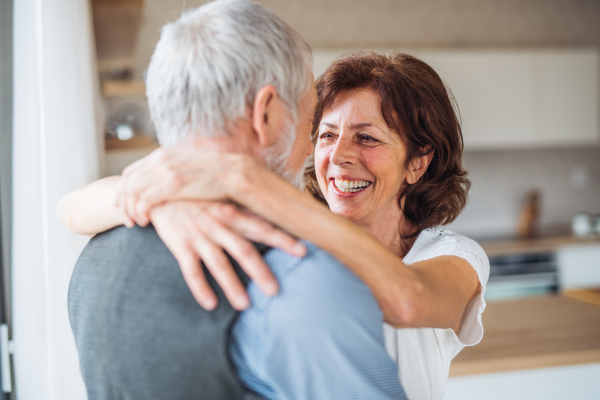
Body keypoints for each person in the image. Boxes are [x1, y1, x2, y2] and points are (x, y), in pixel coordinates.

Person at [61, 9, 491, 400]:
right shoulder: (290, 265)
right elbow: (70, 208)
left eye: (367, 137)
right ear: (266, 115)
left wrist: (241, 177)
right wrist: (156, 201)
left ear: (418, 162)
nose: (332, 153)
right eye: (322, 131)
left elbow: (409, 299)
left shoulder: (451, 255)